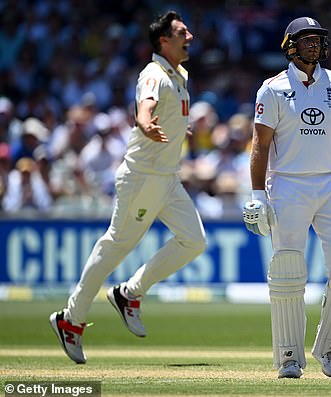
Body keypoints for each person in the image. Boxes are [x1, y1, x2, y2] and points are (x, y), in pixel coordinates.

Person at [50, 11, 206, 364]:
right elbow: (145, 109)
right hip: (143, 178)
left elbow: (169, 112)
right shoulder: (153, 73)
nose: (190, 36)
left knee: (194, 241)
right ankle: (70, 319)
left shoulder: (179, 73)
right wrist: (147, 124)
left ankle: (129, 294)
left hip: (167, 178)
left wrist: (178, 128)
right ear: (163, 40)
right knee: (114, 247)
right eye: (182, 32)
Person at [243, 16, 331, 379]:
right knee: (287, 270)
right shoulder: (272, 89)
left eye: (318, 39)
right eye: (306, 39)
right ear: (290, 45)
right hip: (289, 184)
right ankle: (288, 358)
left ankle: (329, 349)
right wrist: (256, 195)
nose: (314, 44)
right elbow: (260, 144)